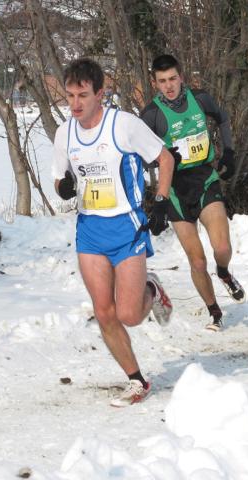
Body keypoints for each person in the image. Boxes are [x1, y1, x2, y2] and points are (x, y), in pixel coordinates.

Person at [52, 58, 175, 407]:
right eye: (70, 96)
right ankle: (137, 380)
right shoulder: (65, 133)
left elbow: (165, 159)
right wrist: (64, 188)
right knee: (103, 311)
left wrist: (161, 202)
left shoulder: (123, 126)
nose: (75, 104)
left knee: (129, 315)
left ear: (100, 94)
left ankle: (152, 288)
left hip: (127, 228)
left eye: (83, 96)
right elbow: (60, 176)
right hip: (90, 230)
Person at [140, 54, 245, 332]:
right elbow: (141, 156)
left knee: (221, 248)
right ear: (155, 83)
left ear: (181, 77)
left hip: (205, 178)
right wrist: (160, 158)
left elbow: (222, 119)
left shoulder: (200, 99)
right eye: (162, 81)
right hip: (174, 188)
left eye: (173, 78)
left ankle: (223, 271)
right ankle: (215, 312)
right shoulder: (150, 114)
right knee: (197, 260)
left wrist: (229, 152)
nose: (169, 86)